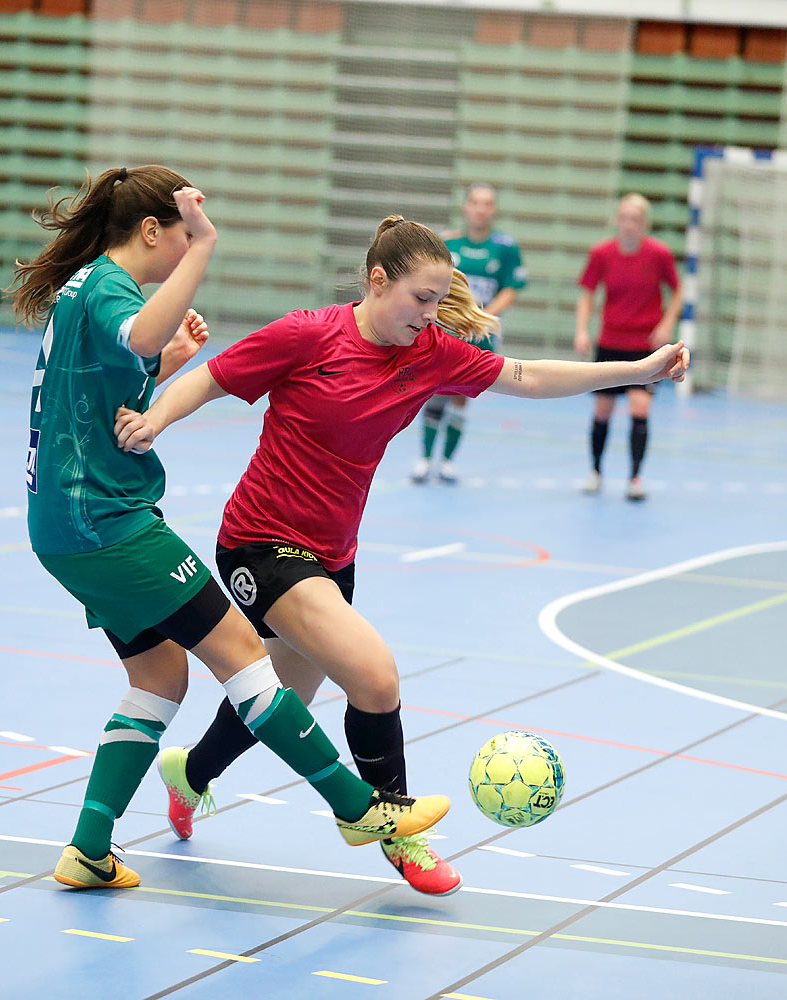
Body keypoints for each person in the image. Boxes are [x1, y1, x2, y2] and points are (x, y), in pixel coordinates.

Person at [116, 216, 689, 895]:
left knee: (281, 697)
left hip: (332, 553)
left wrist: (636, 369)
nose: (430, 314)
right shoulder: (309, 334)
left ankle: (191, 773)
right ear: (378, 281)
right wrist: (153, 419)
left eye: (438, 299)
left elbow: (528, 376)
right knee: (376, 677)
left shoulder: (429, 353)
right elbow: (212, 377)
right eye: (420, 298)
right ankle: (396, 835)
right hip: (260, 541)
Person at [7, 167, 449, 891]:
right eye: (183, 237)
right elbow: (141, 325)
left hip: (66, 523)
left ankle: (88, 849)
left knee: (159, 676)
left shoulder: (86, 288)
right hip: (105, 522)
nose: (188, 252)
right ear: (153, 231)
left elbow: (104, 389)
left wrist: (165, 362)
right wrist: (206, 250)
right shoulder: (114, 286)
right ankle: (357, 807)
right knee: (244, 655)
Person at [413, 182, 527, 483]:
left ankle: (447, 460)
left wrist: (482, 317)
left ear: (494, 209)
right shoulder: (447, 245)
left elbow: (511, 289)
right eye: (475, 202)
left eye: (487, 203)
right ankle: (425, 459)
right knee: (433, 392)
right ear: (466, 207)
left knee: (462, 395)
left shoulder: (505, 247)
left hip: (480, 334)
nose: (480, 208)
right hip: (446, 331)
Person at [574, 193, 683, 502]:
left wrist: (666, 325)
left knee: (640, 407)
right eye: (623, 218)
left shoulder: (659, 254)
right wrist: (583, 330)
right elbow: (587, 292)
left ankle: (635, 478)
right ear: (617, 221)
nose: (628, 225)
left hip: (645, 346)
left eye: (635, 220)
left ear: (644, 223)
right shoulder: (602, 253)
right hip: (610, 342)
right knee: (603, 409)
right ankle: (595, 472)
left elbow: (677, 291)